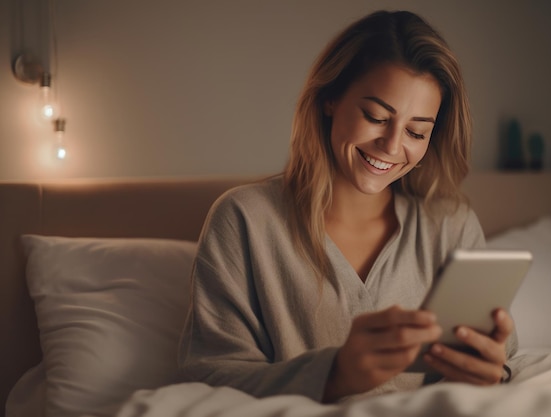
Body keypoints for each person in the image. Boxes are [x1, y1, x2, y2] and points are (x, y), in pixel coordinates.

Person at [178, 9, 517, 403]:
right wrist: (334, 375)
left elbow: (502, 356)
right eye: (375, 116)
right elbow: (206, 375)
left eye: (415, 131)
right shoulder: (244, 220)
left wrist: (492, 371)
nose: (392, 146)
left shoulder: (451, 224)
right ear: (330, 99)